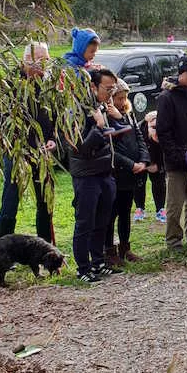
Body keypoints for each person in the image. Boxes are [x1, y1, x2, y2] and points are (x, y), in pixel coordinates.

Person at [0, 42, 57, 243]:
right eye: (43, 60)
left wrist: (52, 139)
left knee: (45, 201)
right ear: (27, 60)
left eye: (47, 60)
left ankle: (46, 247)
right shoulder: (8, 86)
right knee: (10, 201)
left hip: (43, 153)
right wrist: (12, 144)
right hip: (16, 152)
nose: (46, 65)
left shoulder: (48, 85)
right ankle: (4, 248)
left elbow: (55, 118)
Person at [66, 67, 121, 283]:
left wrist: (116, 120)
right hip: (86, 175)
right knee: (85, 222)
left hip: (104, 172)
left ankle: (98, 262)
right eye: (107, 89)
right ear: (92, 86)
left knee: (102, 221)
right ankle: (83, 268)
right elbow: (80, 148)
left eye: (113, 89)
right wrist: (99, 126)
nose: (110, 94)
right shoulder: (76, 110)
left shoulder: (101, 107)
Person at [156, 56, 187, 252]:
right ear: (181, 74)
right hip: (176, 161)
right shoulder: (167, 97)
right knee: (174, 203)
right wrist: (175, 156)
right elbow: (163, 131)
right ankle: (173, 240)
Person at [105, 79, 149, 265]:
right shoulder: (108, 117)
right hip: (117, 173)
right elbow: (112, 147)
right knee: (111, 213)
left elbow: (138, 137)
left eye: (125, 98)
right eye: (119, 98)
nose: (123, 102)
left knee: (125, 212)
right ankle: (109, 250)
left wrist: (144, 160)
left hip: (131, 174)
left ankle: (125, 247)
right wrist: (131, 164)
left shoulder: (127, 115)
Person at [134, 111, 166, 223]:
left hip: (158, 160)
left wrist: (160, 165)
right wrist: (143, 164)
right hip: (141, 160)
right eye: (153, 127)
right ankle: (139, 208)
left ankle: (160, 209)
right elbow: (134, 150)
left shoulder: (165, 134)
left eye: (159, 127)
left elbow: (169, 153)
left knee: (159, 182)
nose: (157, 131)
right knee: (139, 182)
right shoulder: (139, 132)